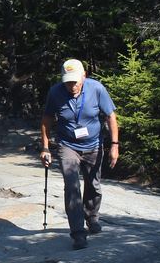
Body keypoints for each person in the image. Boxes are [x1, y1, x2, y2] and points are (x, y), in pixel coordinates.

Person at [40, 58, 119, 250]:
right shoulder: (55, 92)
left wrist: (114, 145)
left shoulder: (96, 89)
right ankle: (78, 233)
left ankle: (91, 217)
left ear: (84, 76)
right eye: (68, 82)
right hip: (67, 145)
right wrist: (45, 148)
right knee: (72, 186)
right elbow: (46, 120)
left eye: (75, 81)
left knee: (94, 185)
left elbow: (110, 116)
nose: (72, 86)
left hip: (94, 145)